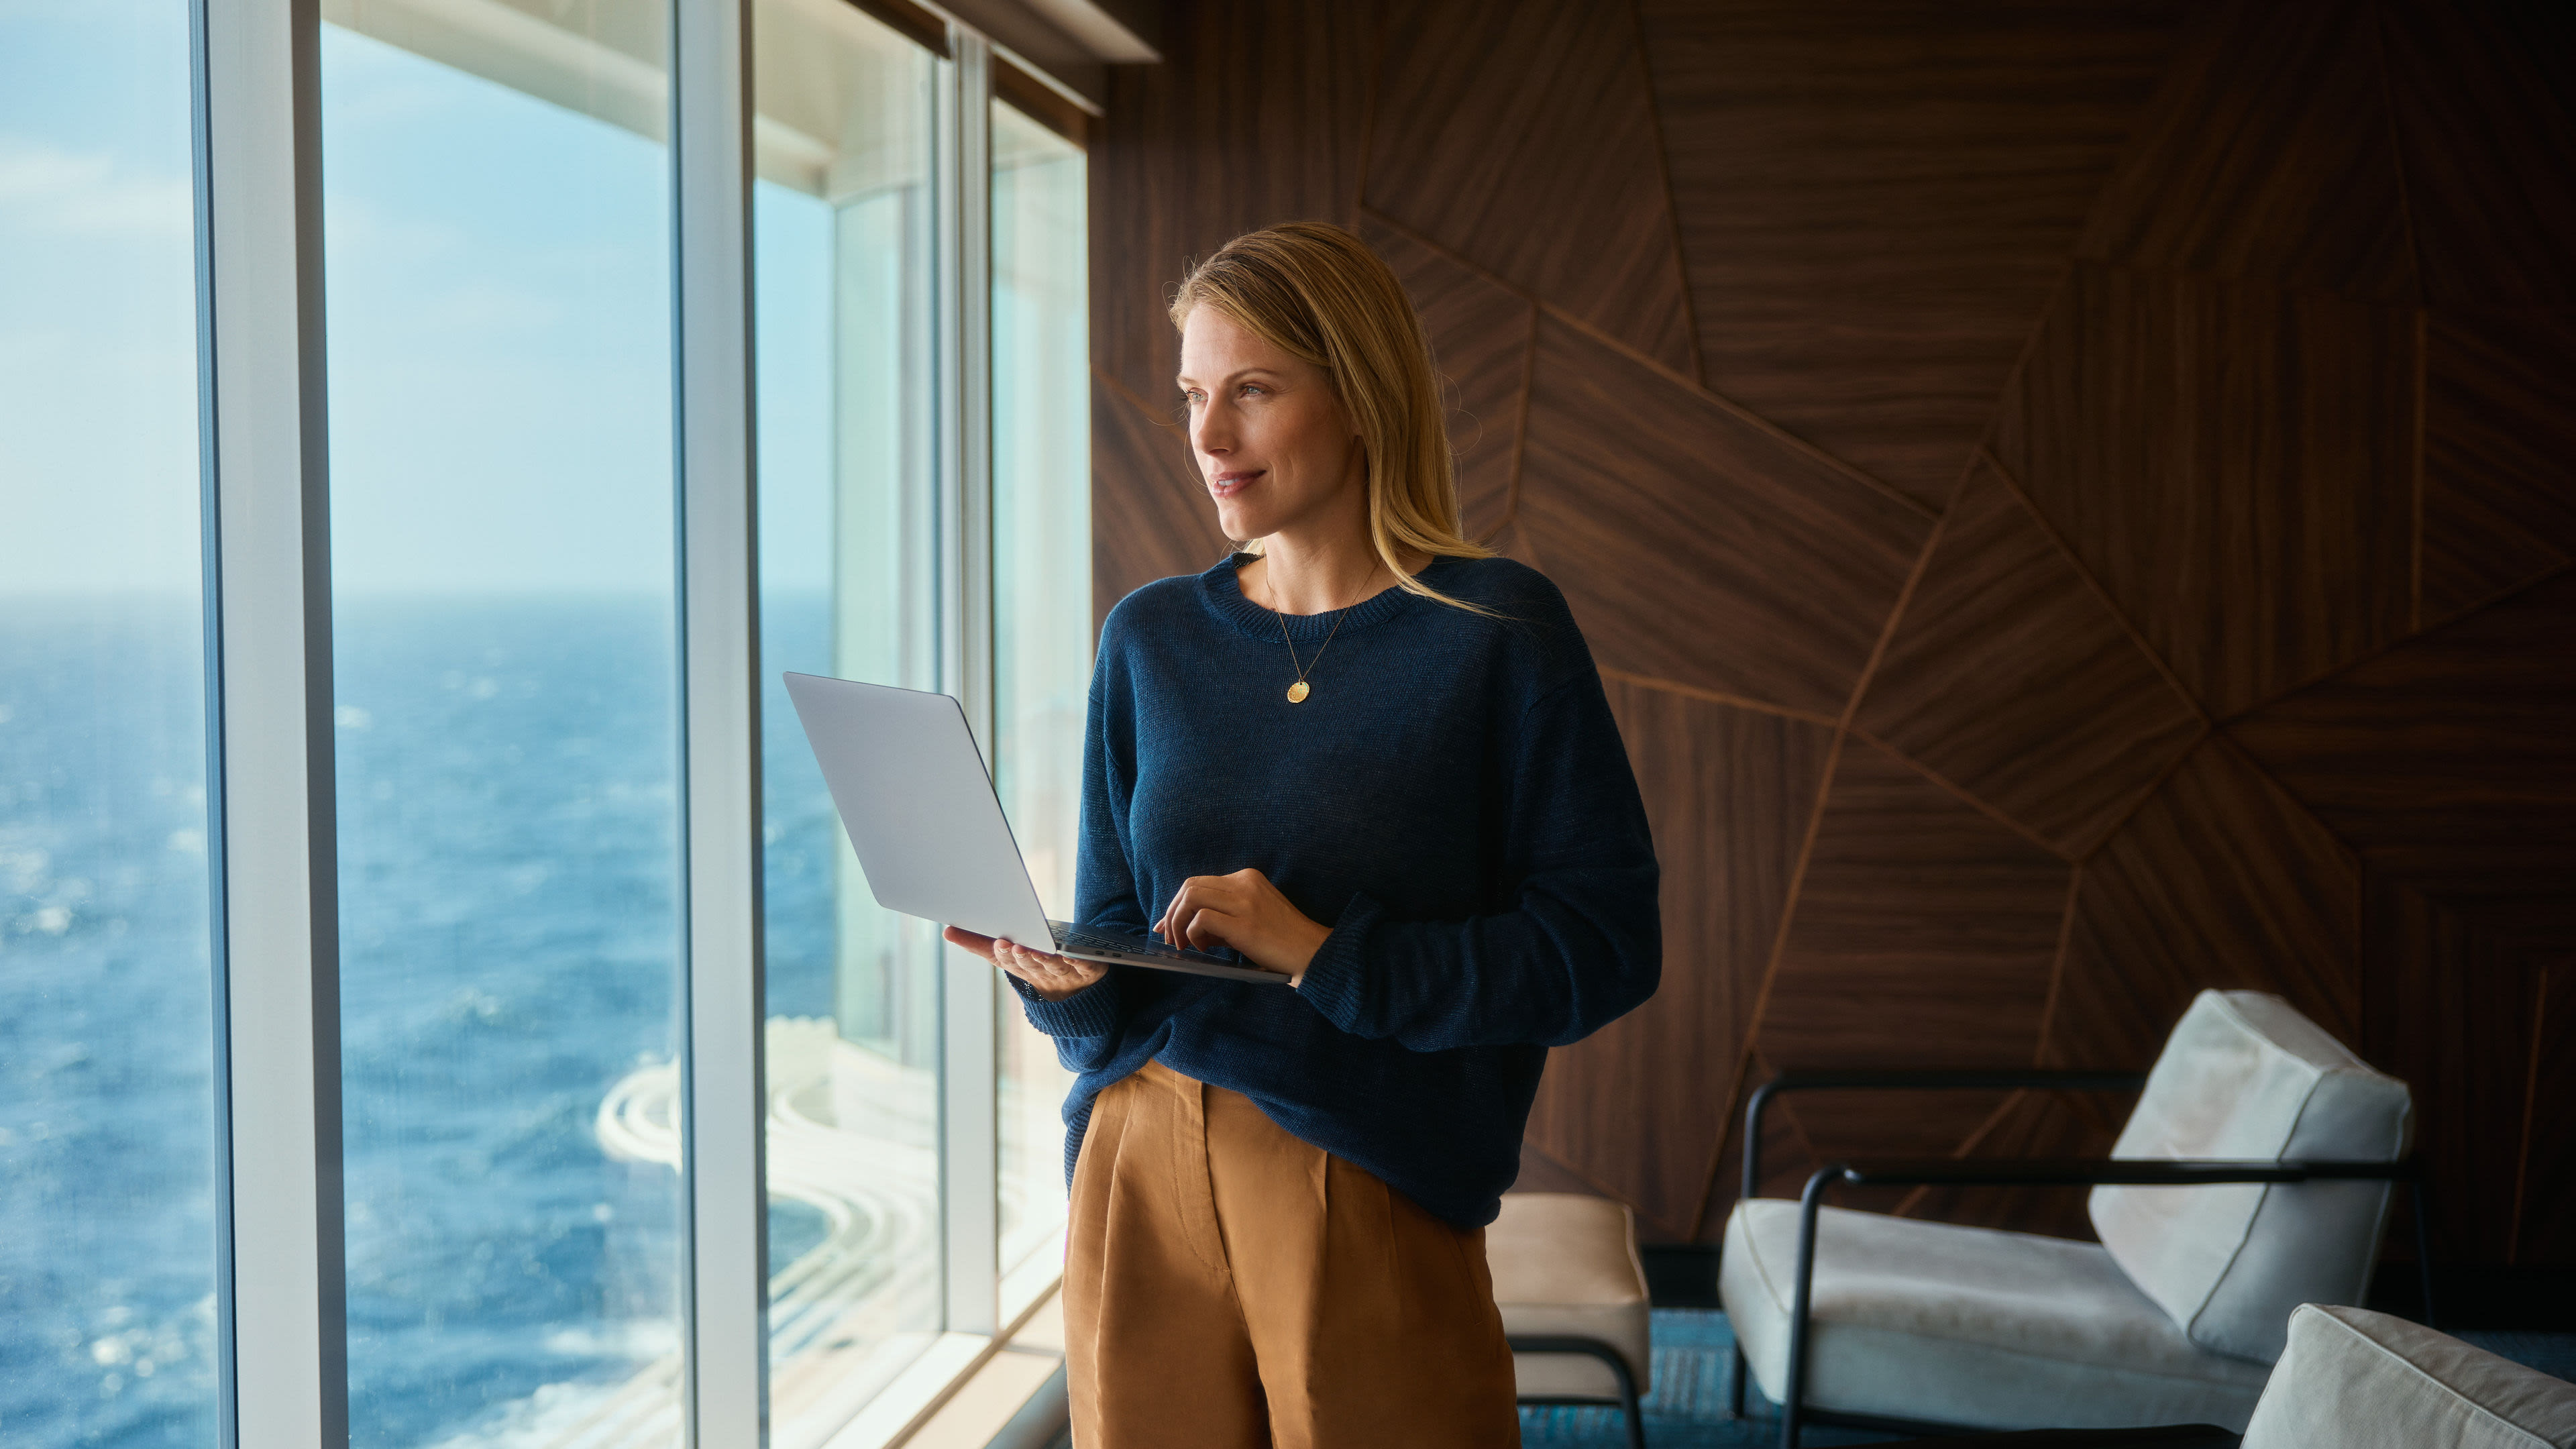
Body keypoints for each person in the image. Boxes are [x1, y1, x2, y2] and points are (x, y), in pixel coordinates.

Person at [944, 221, 1660, 1448]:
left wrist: (1326, 954)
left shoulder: (1496, 632)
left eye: (1253, 392)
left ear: (1361, 395)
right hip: (1136, 1160)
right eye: (1191, 396)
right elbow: (1118, 934)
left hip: (1368, 1171)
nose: (1209, 439)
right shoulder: (1150, 637)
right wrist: (1062, 987)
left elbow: (1603, 946)